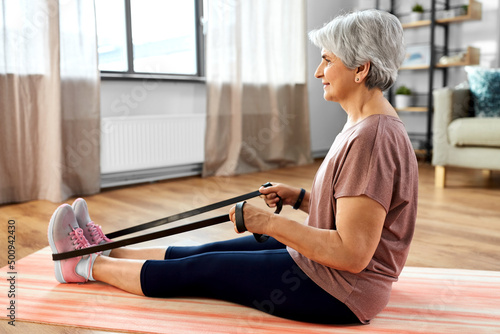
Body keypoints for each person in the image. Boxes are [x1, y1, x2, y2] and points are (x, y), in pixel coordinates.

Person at [48, 9, 418, 325]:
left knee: (205, 271)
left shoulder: (372, 138)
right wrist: (302, 198)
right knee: (208, 252)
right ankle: (108, 249)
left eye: (327, 60)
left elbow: (352, 254)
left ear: (361, 69)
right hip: (332, 272)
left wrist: (269, 222)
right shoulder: (365, 124)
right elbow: (357, 214)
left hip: (341, 291)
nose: (320, 71)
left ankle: (83, 267)